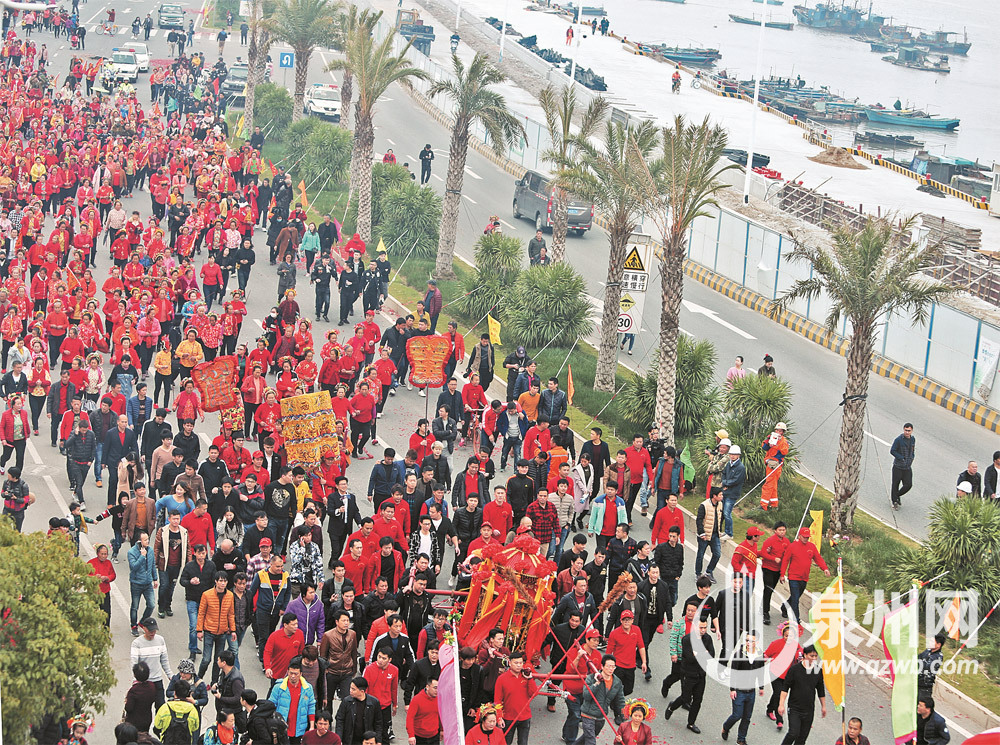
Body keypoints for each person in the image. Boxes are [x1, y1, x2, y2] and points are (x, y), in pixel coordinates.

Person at [778, 645, 827, 745]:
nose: (813, 658)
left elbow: (820, 690)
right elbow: (785, 688)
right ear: (805, 655)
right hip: (794, 708)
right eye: (811, 656)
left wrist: (823, 706)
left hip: (809, 710)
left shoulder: (818, 671)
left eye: (815, 656)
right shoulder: (794, 670)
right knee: (793, 733)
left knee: (802, 738)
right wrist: (781, 704)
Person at [572, 655, 625, 745]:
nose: (611, 669)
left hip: (600, 717)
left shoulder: (617, 682)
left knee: (586, 738)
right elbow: (586, 695)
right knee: (590, 741)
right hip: (588, 715)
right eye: (608, 666)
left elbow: (620, 699)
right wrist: (597, 683)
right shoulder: (591, 678)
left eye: (613, 667)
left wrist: (623, 713)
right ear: (602, 666)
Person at [780, 528, 830, 622]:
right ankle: (796, 619)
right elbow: (785, 560)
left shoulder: (811, 547)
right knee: (795, 598)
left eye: (807, 537)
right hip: (793, 577)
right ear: (799, 536)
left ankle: (784, 607)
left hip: (804, 578)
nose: (806, 539)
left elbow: (818, 558)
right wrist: (782, 574)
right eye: (804, 537)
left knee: (796, 596)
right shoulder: (792, 546)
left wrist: (825, 568)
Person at [494, 651, 537, 745]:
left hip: (525, 717)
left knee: (523, 743)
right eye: (516, 663)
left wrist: (530, 679)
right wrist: (499, 717)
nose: (519, 665)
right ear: (509, 663)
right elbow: (497, 700)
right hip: (508, 717)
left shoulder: (526, 676)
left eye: (521, 663)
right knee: (506, 743)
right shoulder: (502, 679)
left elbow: (533, 694)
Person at [270, 658, 317, 741]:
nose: (293, 676)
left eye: (296, 674)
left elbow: (311, 706)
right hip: (282, 728)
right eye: (291, 673)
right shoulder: (279, 687)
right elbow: (271, 705)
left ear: (301, 674)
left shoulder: (307, 688)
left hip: (299, 728)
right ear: (287, 672)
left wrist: (312, 726)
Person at [131, 617, 172, 708]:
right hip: (144, 682)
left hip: (157, 680)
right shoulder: (136, 643)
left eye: (154, 630)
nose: (152, 633)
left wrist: (170, 675)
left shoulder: (160, 640)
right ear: (144, 628)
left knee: (161, 706)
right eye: (150, 630)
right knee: (143, 708)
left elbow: (164, 660)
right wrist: (136, 680)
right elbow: (134, 664)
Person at [335, 677, 384, 745]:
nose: (350, 691)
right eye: (350, 688)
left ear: (362, 691)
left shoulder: (374, 702)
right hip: (350, 739)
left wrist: (378, 740)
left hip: (367, 740)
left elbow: (378, 723)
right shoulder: (346, 701)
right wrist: (338, 739)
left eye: (353, 689)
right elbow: (340, 720)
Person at [152, 679, 201, 743]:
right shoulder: (193, 710)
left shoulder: (165, 707)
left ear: (175, 693)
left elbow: (157, 726)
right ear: (188, 694)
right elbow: (195, 727)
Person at [694, 487, 723, 582]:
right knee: (700, 554)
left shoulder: (720, 505)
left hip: (715, 535)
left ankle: (709, 572)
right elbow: (699, 520)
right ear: (714, 496)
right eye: (720, 495)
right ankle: (698, 573)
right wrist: (701, 533)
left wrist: (719, 530)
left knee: (717, 554)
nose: (722, 496)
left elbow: (720, 518)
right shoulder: (704, 505)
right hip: (704, 535)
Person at [761, 422, 789, 511]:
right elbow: (764, 448)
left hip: (775, 466)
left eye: (780, 431)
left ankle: (763, 505)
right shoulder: (770, 437)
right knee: (773, 485)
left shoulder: (784, 442)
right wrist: (769, 443)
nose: (778, 432)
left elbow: (784, 452)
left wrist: (778, 443)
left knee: (768, 485)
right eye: (777, 430)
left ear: (783, 432)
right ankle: (774, 504)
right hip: (770, 463)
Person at [406, 676, 441, 745]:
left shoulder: (440, 699)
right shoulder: (417, 699)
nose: (437, 690)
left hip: (434, 736)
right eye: (435, 688)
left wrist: (442, 730)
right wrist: (411, 735)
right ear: (427, 687)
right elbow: (410, 718)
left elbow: (441, 715)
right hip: (419, 737)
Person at [889, 422, 915, 511]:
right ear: (903, 429)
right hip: (898, 466)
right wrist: (901, 458)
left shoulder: (912, 439)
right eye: (906, 430)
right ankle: (894, 501)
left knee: (908, 484)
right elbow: (892, 451)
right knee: (895, 484)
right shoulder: (899, 440)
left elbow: (912, 449)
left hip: (907, 467)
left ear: (912, 431)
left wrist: (912, 457)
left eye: (909, 431)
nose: (907, 432)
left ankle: (897, 495)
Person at [918, 634, 946, 700]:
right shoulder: (927, 651)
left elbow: (926, 667)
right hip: (917, 682)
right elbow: (918, 657)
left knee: (922, 706)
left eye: (932, 642)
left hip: (925, 687)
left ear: (938, 645)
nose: (929, 643)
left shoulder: (938, 657)